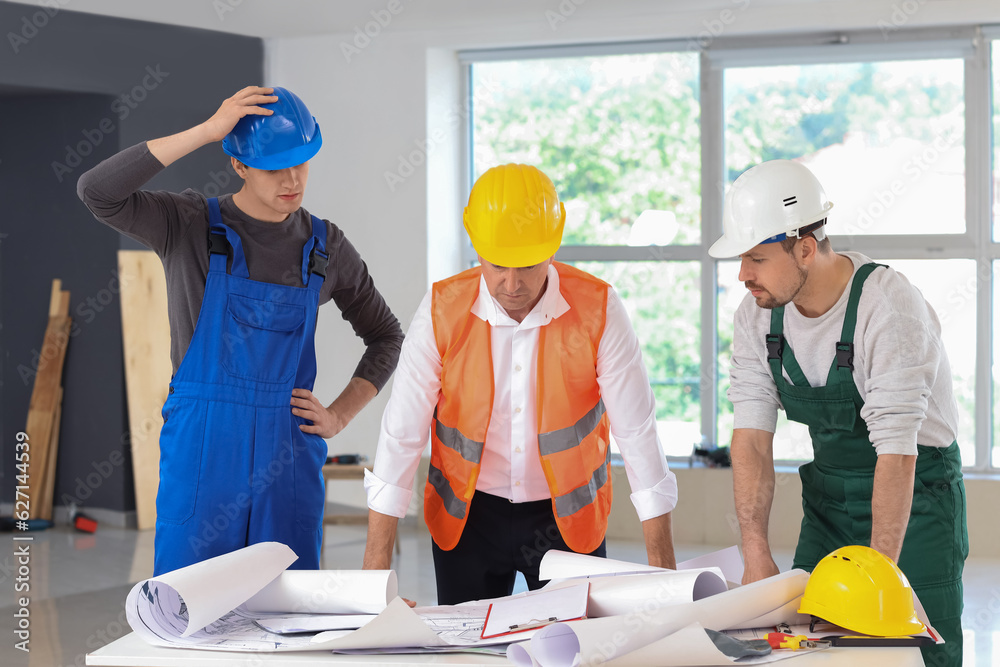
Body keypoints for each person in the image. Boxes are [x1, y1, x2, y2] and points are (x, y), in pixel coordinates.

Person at [78, 86, 403, 575]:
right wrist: (207, 132)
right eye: (275, 168)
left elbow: (386, 335)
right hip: (204, 451)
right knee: (188, 608)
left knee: (287, 614)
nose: (292, 181)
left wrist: (338, 416)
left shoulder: (326, 246)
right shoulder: (186, 225)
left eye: (302, 163)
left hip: (287, 457)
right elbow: (97, 190)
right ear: (239, 165)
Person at [362, 163, 677, 605]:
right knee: (467, 651)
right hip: (467, 518)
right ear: (477, 249)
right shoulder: (441, 310)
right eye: (497, 266)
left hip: (564, 519)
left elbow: (637, 433)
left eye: (527, 265)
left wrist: (664, 570)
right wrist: (375, 576)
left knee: (572, 650)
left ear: (553, 246)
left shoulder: (599, 309)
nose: (511, 284)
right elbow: (401, 434)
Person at [710, 159, 968, 667]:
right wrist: (755, 552)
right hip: (828, 500)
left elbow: (896, 453)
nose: (743, 275)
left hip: (916, 499)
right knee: (810, 647)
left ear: (805, 247)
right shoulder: (758, 316)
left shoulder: (888, 309)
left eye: (757, 258)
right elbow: (752, 438)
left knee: (910, 649)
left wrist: (880, 579)